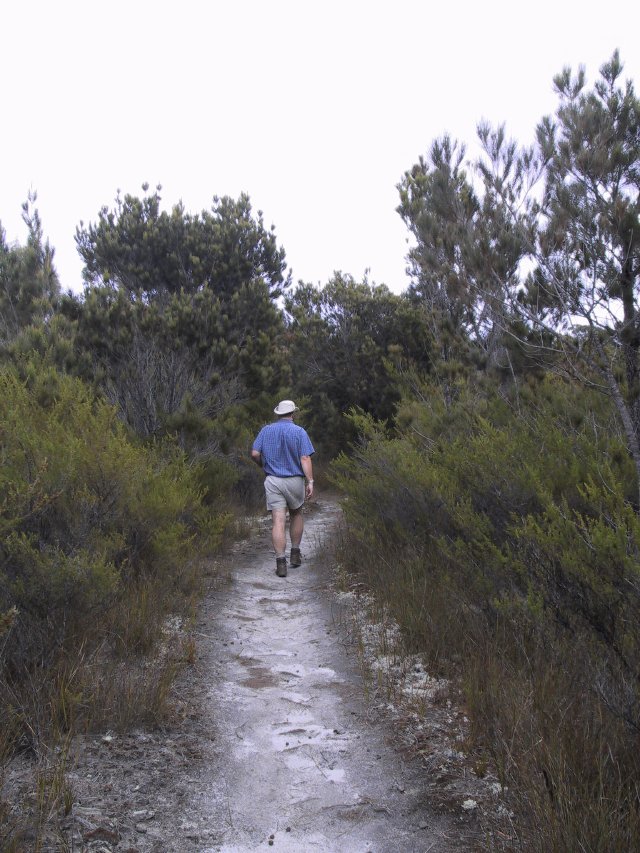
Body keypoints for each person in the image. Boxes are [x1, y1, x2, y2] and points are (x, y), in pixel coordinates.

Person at [251, 400, 315, 578]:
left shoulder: (266, 430)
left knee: (278, 521)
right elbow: (304, 458)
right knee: (296, 514)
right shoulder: (299, 432)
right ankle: (295, 554)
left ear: (278, 413)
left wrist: (262, 464)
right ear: (292, 413)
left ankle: (280, 563)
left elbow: (255, 453)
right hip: (294, 480)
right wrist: (310, 481)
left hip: (273, 480)